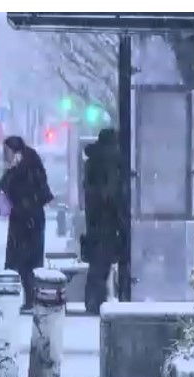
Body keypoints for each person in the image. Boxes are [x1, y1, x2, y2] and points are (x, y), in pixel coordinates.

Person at [0, 136, 53, 313]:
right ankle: (31, 297)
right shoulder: (26, 165)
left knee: (26, 261)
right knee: (25, 261)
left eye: (7, 152)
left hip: (28, 218)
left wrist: (10, 174)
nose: (4, 156)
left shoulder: (25, 167)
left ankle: (32, 298)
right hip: (25, 217)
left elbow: (19, 188)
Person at [81, 128, 123, 315]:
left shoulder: (93, 162)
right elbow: (111, 193)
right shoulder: (111, 162)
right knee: (102, 263)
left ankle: (93, 300)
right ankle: (95, 302)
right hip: (109, 219)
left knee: (98, 265)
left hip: (95, 219)